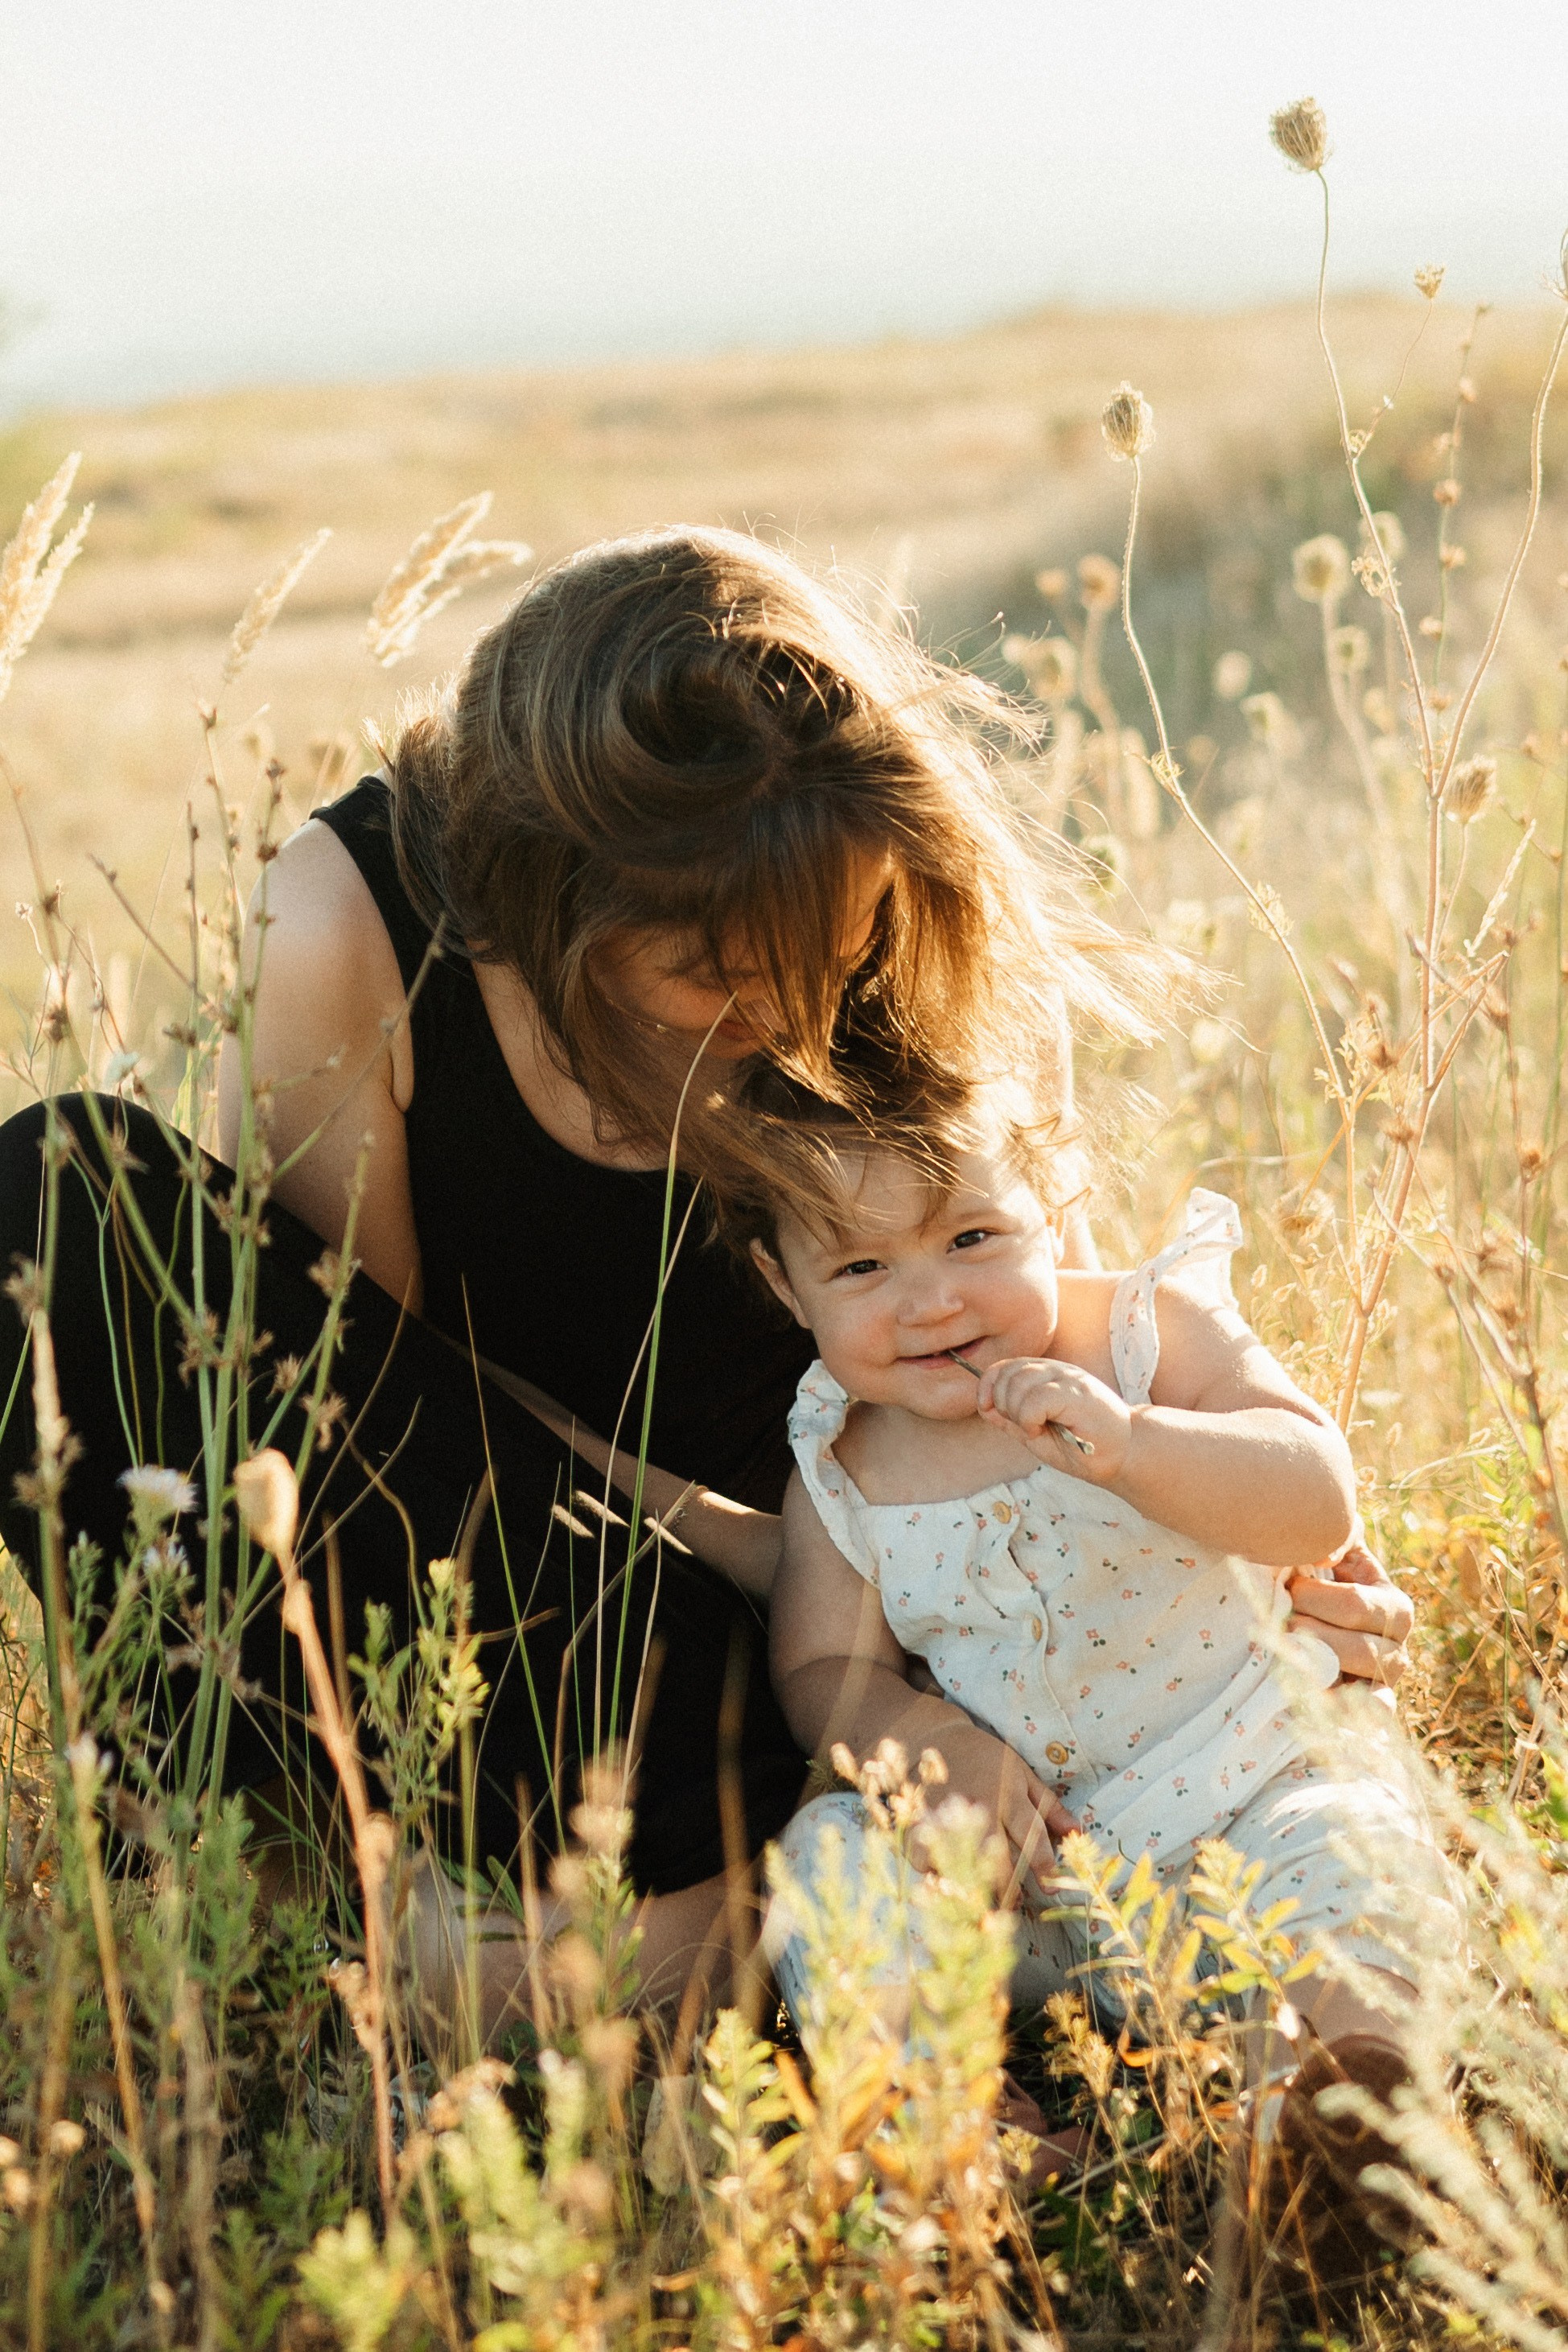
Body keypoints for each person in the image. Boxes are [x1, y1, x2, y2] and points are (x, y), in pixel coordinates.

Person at [0, 527, 1411, 2025]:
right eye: (720, 970)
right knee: (53, 1196)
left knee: (691, 1909)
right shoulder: (350, 925)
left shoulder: (902, 883)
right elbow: (368, 1426)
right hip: (567, 1582)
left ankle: (650, 1929)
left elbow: (1035, 1343)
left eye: (834, 941)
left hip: (876, 1634)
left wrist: (1250, 1545)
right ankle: (397, 1894)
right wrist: (776, 1547)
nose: (798, 1001)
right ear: (541, 902)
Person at [722, 1069, 1453, 2207]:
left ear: (1050, 1195)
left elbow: (1315, 1494)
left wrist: (1135, 1447)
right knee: (827, 1854)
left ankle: (1321, 2124)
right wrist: (923, 1737)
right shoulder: (841, 1460)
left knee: (1351, 1869)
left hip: (1258, 1797)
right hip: (1038, 1892)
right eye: (862, 1267)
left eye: (971, 1237)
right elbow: (822, 1665)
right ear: (780, 1282)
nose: (932, 1304)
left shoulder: (1143, 1331)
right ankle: (965, 2136)